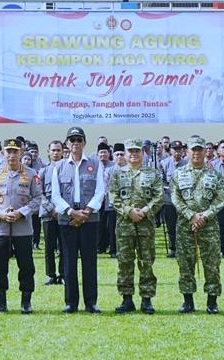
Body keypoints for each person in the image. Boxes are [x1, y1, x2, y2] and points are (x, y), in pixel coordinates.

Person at [50, 126, 107, 314]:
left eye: (79, 140)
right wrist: (72, 213)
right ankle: (71, 302)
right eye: (72, 140)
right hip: (67, 220)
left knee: (89, 262)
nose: (75, 143)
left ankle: (91, 302)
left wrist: (86, 212)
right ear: (67, 143)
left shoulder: (95, 164)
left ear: (84, 143)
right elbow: (55, 196)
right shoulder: (58, 166)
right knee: (69, 261)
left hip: (90, 220)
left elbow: (100, 191)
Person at [0, 137, 42, 314]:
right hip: (1, 228)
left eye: (15, 151)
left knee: (26, 266)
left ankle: (26, 302)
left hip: (22, 228)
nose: (12, 155)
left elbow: (38, 198)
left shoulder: (31, 174)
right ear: (3, 153)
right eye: (8, 151)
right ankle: (1, 301)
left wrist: (22, 212)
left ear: (21, 153)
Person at [170, 135, 224, 314]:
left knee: (212, 264)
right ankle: (188, 301)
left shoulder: (214, 174)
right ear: (187, 151)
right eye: (193, 149)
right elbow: (175, 197)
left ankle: (212, 301)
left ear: (205, 152)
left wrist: (205, 216)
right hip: (185, 225)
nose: (196, 153)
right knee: (185, 263)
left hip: (209, 226)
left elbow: (220, 199)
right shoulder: (178, 174)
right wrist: (191, 215)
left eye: (199, 149)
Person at [110, 138, 163, 314]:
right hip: (125, 225)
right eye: (130, 151)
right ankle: (127, 299)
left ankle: (146, 300)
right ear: (125, 154)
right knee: (125, 262)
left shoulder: (153, 173)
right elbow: (113, 196)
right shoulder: (117, 174)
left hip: (146, 225)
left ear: (142, 153)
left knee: (146, 261)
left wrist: (145, 211)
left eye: (137, 151)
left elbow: (159, 196)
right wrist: (129, 211)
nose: (133, 154)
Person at [38, 140, 65, 284]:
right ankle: (51, 275)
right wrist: (51, 208)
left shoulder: (67, 169)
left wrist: (61, 209)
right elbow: (38, 193)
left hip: (64, 214)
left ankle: (63, 274)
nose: (55, 153)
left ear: (62, 152)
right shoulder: (43, 171)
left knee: (64, 246)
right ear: (48, 152)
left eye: (58, 150)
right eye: (53, 150)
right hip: (48, 214)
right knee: (49, 246)